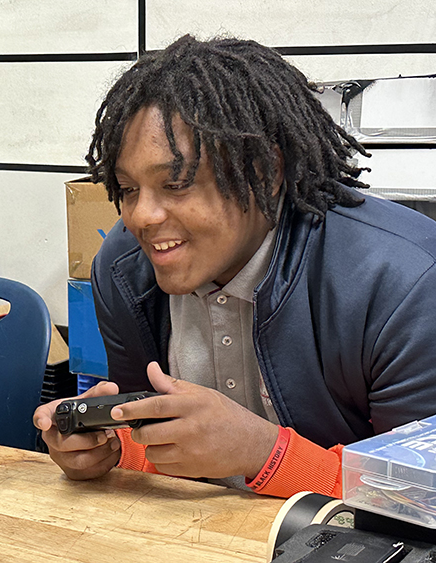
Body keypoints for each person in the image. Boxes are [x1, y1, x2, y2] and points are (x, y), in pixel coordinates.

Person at [34, 35, 436, 498]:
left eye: (177, 183)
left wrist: (265, 454)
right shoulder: (123, 269)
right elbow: (154, 438)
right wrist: (115, 449)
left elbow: (417, 495)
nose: (142, 217)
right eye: (127, 189)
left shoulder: (402, 281)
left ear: (264, 171)